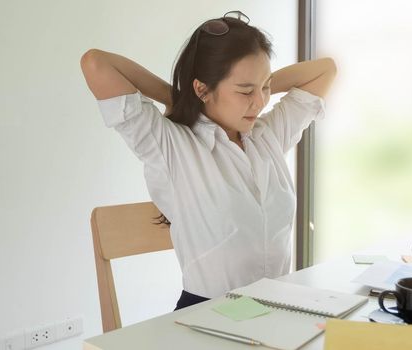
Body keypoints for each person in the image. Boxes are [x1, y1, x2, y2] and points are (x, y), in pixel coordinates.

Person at [80, 10, 336, 310]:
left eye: (265, 87)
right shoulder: (171, 145)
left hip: (275, 309)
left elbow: (326, 70)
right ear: (202, 88)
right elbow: (96, 63)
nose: (261, 102)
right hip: (207, 315)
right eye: (245, 91)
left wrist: (256, 83)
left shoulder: (267, 135)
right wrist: (179, 98)